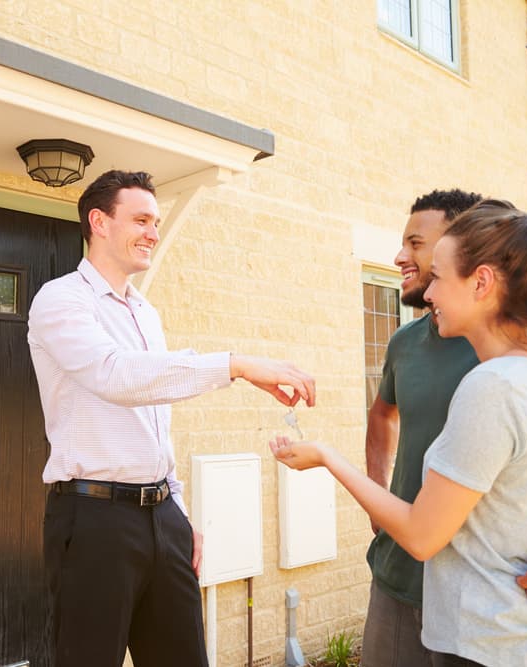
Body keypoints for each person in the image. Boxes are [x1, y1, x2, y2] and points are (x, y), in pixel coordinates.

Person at [271, 200, 527, 665]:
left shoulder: (496, 382)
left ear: (480, 278)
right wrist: (381, 495)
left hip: (488, 637)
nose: (427, 288)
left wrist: (327, 458)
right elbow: (382, 418)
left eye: (431, 263)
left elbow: (421, 534)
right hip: (513, 630)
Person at [27, 169, 316, 667]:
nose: (154, 234)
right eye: (141, 219)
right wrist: (236, 364)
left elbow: (155, 419)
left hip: (161, 516)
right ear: (98, 221)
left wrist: (176, 509)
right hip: (93, 520)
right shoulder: (60, 299)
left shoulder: (146, 313)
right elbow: (116, 377)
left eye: (157, 222)